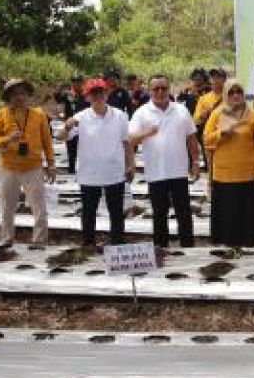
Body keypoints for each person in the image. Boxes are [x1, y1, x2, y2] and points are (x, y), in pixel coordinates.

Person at [59, 78, 133, 246]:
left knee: (116, 212)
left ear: (107, 94)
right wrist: (67, 126)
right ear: (87, 97)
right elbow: (61, 137)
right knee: (88, 212)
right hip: (89, 173)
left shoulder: (120, 115)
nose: (98, 96)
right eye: (94, 93)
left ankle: (117, 244)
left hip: (114, 171)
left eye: (101, 92)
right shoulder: (81, 117)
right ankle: (88, 245)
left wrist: (131, 164)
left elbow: (126, 142)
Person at [129, 75, 200, 248]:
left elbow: (191, 138)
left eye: (163, 88)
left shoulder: (181, 110)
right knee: (159, 213)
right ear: (149, 90)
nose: (160, 92)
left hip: (179, 171)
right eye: (156, 89)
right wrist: (146, 133)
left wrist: (196, 162)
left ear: (169, 89)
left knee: (183, 212)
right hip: (156, 172)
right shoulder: (141, 112)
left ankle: (187, 246)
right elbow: (130, 140)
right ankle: (160, 248)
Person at [0, 79, 55, 245]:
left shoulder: (39, 115)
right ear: (8, 97)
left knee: (39, 208)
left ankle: (39, 241)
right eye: (15, 94)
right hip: (8, 168)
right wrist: (8, 139)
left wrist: (51, 164)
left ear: (28, 96)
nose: (20, 97)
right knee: (7, 207)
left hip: (33, 168)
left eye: (23, 93)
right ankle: (7, 239)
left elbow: (47, 141)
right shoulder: (0, 115)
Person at [203, 79, 254, 246]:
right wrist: (220, 134)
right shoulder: (217, 114)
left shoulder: (253, 115)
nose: (236, 95)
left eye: (239, 91)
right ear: (225, 94)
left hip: (248, 174)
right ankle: (227, 247)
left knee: (248, 215)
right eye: (231, 92)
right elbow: (206, 140)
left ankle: (250, 245)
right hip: (224, 175)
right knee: (228, 214)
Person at [54, 74, 88, 174]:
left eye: (78, 81)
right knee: (71, 149)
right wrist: (59, 87)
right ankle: (71, 170)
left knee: (84, 149)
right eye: (74, 81)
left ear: (82, 82)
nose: (76, 83)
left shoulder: (87, 95)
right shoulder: (67, 94)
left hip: (84, 125)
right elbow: (57, 98)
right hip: (70, 125)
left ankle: (85, 170)